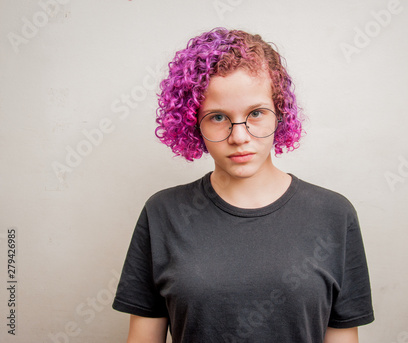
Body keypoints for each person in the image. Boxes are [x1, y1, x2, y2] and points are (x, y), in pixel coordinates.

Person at [112, 27, 374, 343]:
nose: (239, 137)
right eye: (218, 117)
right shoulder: (163, 214)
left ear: (281, 113)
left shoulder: (333, 214)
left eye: (256, 113)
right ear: (193, 123)